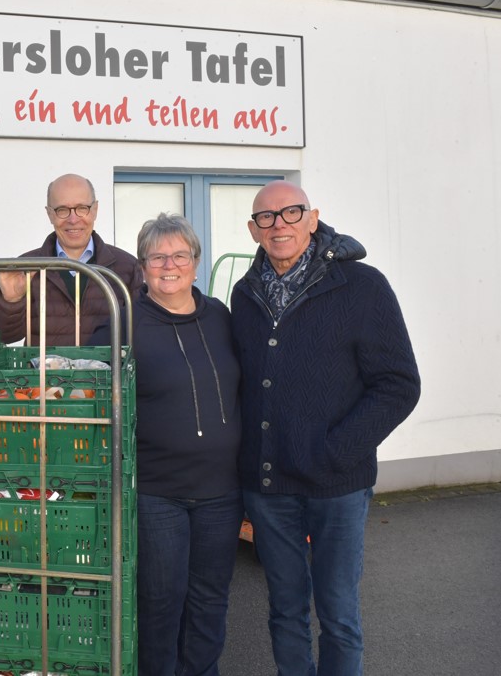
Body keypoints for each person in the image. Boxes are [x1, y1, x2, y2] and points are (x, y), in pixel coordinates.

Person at [230, 180, 420, 676]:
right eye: (266, 217)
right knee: (285, 610)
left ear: (313, 219)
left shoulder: (362, 286)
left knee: (338, 615)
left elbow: (398, 385)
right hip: (269, 487)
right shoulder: (245, 293)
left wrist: (337, 452)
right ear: (253, 229)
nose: (279, 225)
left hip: (337, 485)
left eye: (291, 213)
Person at [128, 213, 243, 676]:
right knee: (161, 601)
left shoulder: (220, 317)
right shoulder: (126, 323)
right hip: (158, 492)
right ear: (143, 267)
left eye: (179, 255)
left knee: (210, 598)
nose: (169, 265)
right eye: (157, 257)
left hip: (221, 492)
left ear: (196, 262)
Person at [0, 172, 143, 345]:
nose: (73, 220)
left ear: (95, 210)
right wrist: (11, 301)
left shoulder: (127, 267)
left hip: (109, 364)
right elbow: (2, 338)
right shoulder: (26, 267)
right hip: (44, 365)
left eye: (82, 208)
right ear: (49, 214)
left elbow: (139, 333)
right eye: (62, 210)